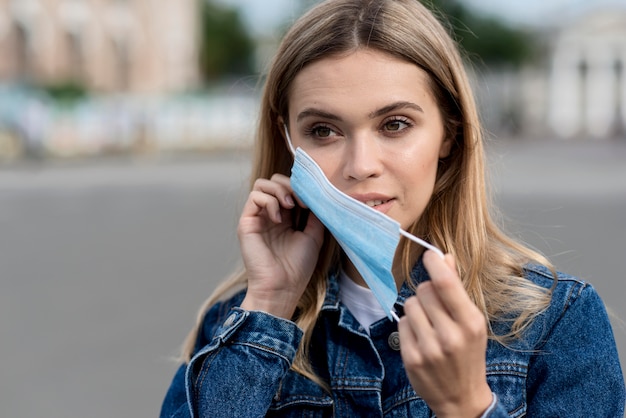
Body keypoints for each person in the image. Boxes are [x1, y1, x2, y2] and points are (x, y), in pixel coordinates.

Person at [161, 0, 625, 416]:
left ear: (450, 132)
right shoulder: (236, 324)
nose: (361, 166)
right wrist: (270, 303)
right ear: (288, 141)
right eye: (323, 130)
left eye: (395, 124)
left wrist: (468, 408)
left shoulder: (555, 322)